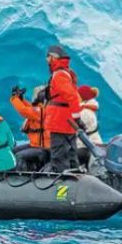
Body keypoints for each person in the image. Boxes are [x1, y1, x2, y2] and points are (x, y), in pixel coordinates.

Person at [41, 44, 83, 173]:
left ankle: (62, 180)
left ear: (54, 57)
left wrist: (77, 118)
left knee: (59, 154)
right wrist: (76, 118)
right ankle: (75, 175)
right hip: (67, 121)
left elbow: (72, 96)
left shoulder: (59, 75)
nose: (46, 60)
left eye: (48, 56)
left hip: (59, 121)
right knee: (70, 152)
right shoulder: (65, 72)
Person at [9, 85, 50, 171]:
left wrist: (14, 98)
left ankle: (21, 176)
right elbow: (29, 107)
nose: (33, 97)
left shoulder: (41, 111)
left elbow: (23, 110)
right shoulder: (40, 108)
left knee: (19, 156)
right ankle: (11, 174)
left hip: (43, 148)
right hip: (35, 145)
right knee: (12, 151)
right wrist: (21, 99)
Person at [75, 85, 104, 166]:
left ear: (83, 97)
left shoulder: (85, 112)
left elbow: (75, 127)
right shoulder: (90, 108)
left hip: (88, 146)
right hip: (93, 143)